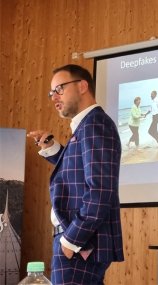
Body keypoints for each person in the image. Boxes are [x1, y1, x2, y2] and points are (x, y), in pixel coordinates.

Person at [27, 64, 124, 284]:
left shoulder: (95, 124)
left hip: (80, 243)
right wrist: (52, 148)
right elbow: (78, 172)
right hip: (79, 242)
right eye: (51, 92)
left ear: (82, 86)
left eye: (59, 89)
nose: (54, 98)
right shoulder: (87, 126)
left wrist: (70, 241)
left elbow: (100, 191)